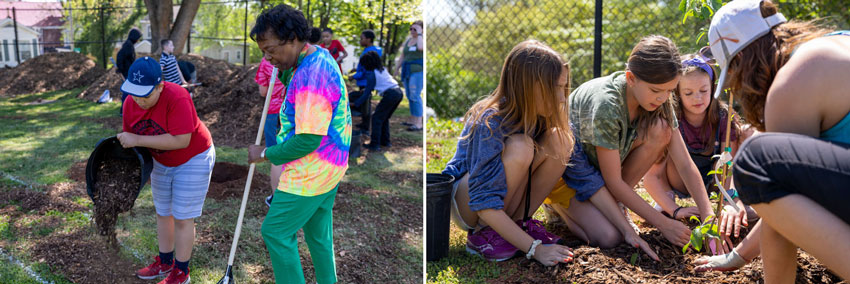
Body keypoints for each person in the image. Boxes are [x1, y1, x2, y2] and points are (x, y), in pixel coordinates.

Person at [443, 40, 649, 266]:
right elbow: (483, 202)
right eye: (555, 89)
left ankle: (518, 224)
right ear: (528, 87)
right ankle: (482, 237)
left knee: (562, 139)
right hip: (469, 204)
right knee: (521, 146)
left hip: (497, 203)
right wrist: (535, 249)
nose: (562, 98)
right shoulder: (490, 121)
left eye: (563, 88)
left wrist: (626, 230)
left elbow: (586, 179)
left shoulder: (550, 117)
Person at [705, 0, 850, 281]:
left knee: (755, 160)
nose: (738, 87)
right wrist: (741, 255)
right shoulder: (837, 41)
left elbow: (777, 221)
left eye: (733, 75)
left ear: (741, 61)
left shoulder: (792, 82)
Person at [550, 35, 715, 249]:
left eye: (669, 90)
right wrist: (663, 223)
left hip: (604, 173)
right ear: (630, 78)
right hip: (570, 173)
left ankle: (613, 205)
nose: (663, 98)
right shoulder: (607, 105)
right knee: (609, 237)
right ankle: (558, 208)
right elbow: (614, 181)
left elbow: (684, 163)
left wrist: (708, 214)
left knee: (661, 128)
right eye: (656, 91)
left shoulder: (658, 98)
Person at [247, 5, 351, 283]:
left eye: (271, 50)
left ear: (293, 39)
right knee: (318, 235)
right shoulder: (316, 56)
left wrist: (265, 153)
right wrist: (282, 71)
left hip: (311, 172)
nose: (268, 58)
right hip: (331, 167)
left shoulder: (310, 77)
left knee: (276, 231)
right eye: (263, 53)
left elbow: (308, 139)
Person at [643, 54, 758, 254]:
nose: (698, 98)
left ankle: (737, 203)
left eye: (704, 91)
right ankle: (665, 201)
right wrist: (675, 210)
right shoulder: (671, 118)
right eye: (688, 93)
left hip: (715, 181)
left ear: (713, 88)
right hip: (679, 179)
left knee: (741, 142)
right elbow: (652, 176)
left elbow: (727, 165)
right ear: (677, 93)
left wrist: (732, 200)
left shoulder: (723, 117)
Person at [119, 57, 215, 284]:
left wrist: (137, 139)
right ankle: (164, 262)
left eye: (145, 94)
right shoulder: (129, 103)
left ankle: (181, 273)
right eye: (134, 93)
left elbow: (182, 140)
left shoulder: (178, 97)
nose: (139, 100)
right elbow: (133, 145)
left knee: (182, 217)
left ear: (160, 86)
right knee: (163, 212)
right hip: (161, 160)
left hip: (193, 157)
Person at [254, 57, 287, 207]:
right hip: (293, 111)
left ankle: (276, 197)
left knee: (277, 155)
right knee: (293, 153)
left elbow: (263, 91)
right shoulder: (294, 58)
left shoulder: (267, 61)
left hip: (274, 110)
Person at [356, 51, 402, 151]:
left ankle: (375, 144)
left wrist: (355, 104)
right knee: (384, 118)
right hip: (398, 92)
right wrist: (367, 89)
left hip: (391, 94)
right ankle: (385, 142)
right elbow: (375, 86)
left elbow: (366, 93)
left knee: (376, 118)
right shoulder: (381, 69)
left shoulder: (371, 74)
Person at [349, 30, 384, 134]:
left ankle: (365, 127)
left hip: (365, 81)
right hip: (364, 80)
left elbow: (365, 70)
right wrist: (355, 70)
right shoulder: (373, 50)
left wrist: (354, 76)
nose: (360, 41)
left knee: (366, 103)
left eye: (362, 38)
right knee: (365, 102)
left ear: (368, 39)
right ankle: (364, 123)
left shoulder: (368, 52)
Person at [395, 21, 424, 131]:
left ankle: (419, 123)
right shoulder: (409, 41)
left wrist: (420, 34)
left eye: (415, 29)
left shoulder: (421, 40)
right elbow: (403, 56)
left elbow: (421, 48)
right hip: (407, 71)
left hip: (417, 71)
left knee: (415, 95)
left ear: (421, 30)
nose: (412, 31)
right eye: (411, 29)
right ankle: (412, 120)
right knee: (409, 95)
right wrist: (397, 69)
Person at [117, 28, 142, 115]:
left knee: (129, 91)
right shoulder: (128, 46)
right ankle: (123, 110)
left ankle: (127, 109)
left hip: (129, 72)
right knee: (127, 92)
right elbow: (120, 57)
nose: (138, 40)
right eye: (138, 38)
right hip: (126, 72)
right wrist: (120, 70)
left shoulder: (129, 45)